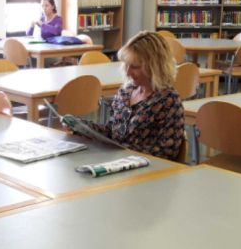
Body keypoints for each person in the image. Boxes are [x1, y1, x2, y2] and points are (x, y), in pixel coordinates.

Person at [73, 31, 185, 160]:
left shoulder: (169, 101)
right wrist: (81, 126)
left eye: (135, 67)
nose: (127, 72)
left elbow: (167, 152)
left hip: (145, 170)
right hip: (117, 160)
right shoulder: (126, 92)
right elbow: (111, 132)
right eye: (126, 64)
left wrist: (121, 149)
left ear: (155, 66)